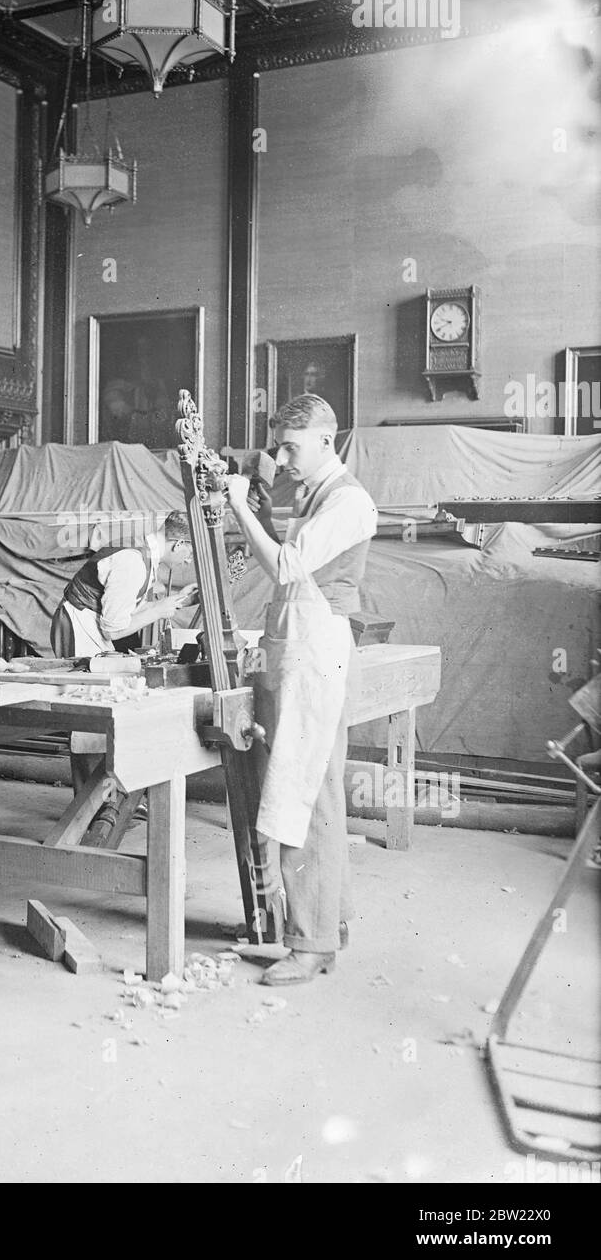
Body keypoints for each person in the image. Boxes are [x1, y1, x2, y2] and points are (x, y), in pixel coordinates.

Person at [224, 394, 377, 985]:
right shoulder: (312, 497)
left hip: (317, 655)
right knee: (313, 793)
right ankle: (322, 933)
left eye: (291, 446)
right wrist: (260, 511)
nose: (281, 457)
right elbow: (291, 562)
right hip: (298, 651)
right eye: (277, 445)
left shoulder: (348, 500)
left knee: (304, 794)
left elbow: (287, 567)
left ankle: (309, 945)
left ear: (325, 441)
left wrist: (240, 508)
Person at [50, 512, 199, 798]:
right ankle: (91, 803)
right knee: (89, 714)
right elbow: (115, 628)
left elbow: (128, 609)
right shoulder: (133, 561)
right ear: (178, 544)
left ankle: (111, 798)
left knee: (102, 713)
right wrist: (157, 610)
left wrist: (176, 602)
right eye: (190, 552)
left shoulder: (143, 555)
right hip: (80, 627)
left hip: (93, 627)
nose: (188, 561)